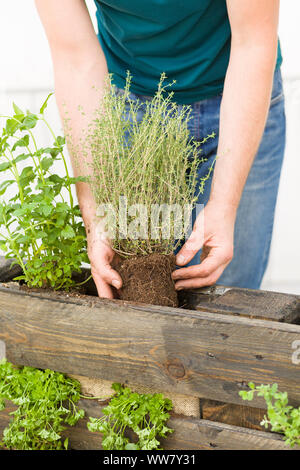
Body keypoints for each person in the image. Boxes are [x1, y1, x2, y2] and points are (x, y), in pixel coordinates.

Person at [35, 0, 285, 298]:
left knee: (230, 292)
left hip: (239, 102)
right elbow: (75, 60)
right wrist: (96, 215)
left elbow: (253, 44)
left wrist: (225, 204)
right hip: (131, 110)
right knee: (143, 295)